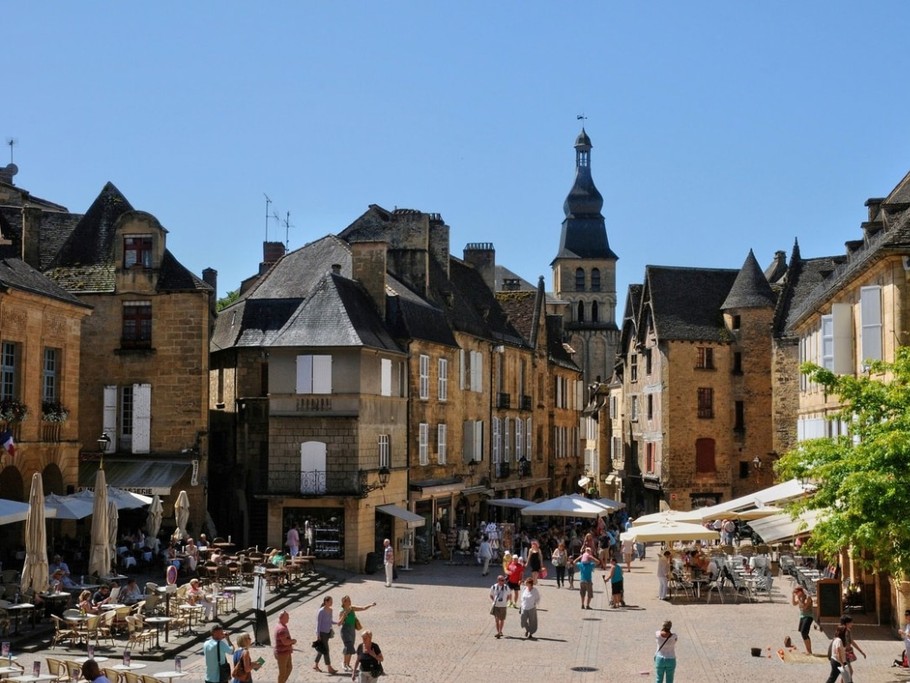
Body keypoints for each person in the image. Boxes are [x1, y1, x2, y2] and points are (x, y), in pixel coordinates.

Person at [337, 595, 377, 671]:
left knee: (351, 647)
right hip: (345, 630)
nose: (350, 601)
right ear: (344, 602)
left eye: (350, 600)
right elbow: (339, 623)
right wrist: (344, 615)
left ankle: (348, 664)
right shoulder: (341, 611)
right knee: (348, 646)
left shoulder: (352, 608)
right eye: (348, 600)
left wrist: (370, 605)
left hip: (352, 629)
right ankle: (344, 663)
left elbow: (363, 608)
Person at [314, 595, 338, 674]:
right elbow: (318, 623)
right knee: (326, 650)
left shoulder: (331, 610)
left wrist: (337, 623)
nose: (332, 603)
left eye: (332, 601)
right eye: (330, 601)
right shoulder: (321, 611)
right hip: (322, 633)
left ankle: (315, 665)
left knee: (322, 649)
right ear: (326, 602)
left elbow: (330, 621)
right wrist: (318, 635)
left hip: (328, 632)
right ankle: (329, 667)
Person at [273, 610, 296, 683]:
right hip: (282, 653)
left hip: (286, 651)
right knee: (282, 672)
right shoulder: (281, 629)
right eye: (287, 616)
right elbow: (285, 642)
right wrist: (293, 641)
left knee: (289, 668)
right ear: (282, 618)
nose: (289, 618)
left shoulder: (281, 625)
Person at [840, 614, 866, 678]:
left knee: (846, 672)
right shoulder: (843, 631)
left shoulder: (847, 631)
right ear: (847, 623)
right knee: (848, 671)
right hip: (844, 653)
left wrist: (861, 651)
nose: (852, 624)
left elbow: (851, 642)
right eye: (851, 622)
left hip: (847, 653)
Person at [791, 586, 814, 654]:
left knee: (804, 632)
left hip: (808, 616)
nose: (796, 594)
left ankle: (809, 650)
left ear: (801, 592)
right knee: (802, 633)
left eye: (797, 593)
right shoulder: (800, 597)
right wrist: (793, 596)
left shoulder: (807, 597)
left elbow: (804, 607)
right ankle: (808, 649)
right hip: (802, 616)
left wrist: (799, 598)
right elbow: (794, 603)